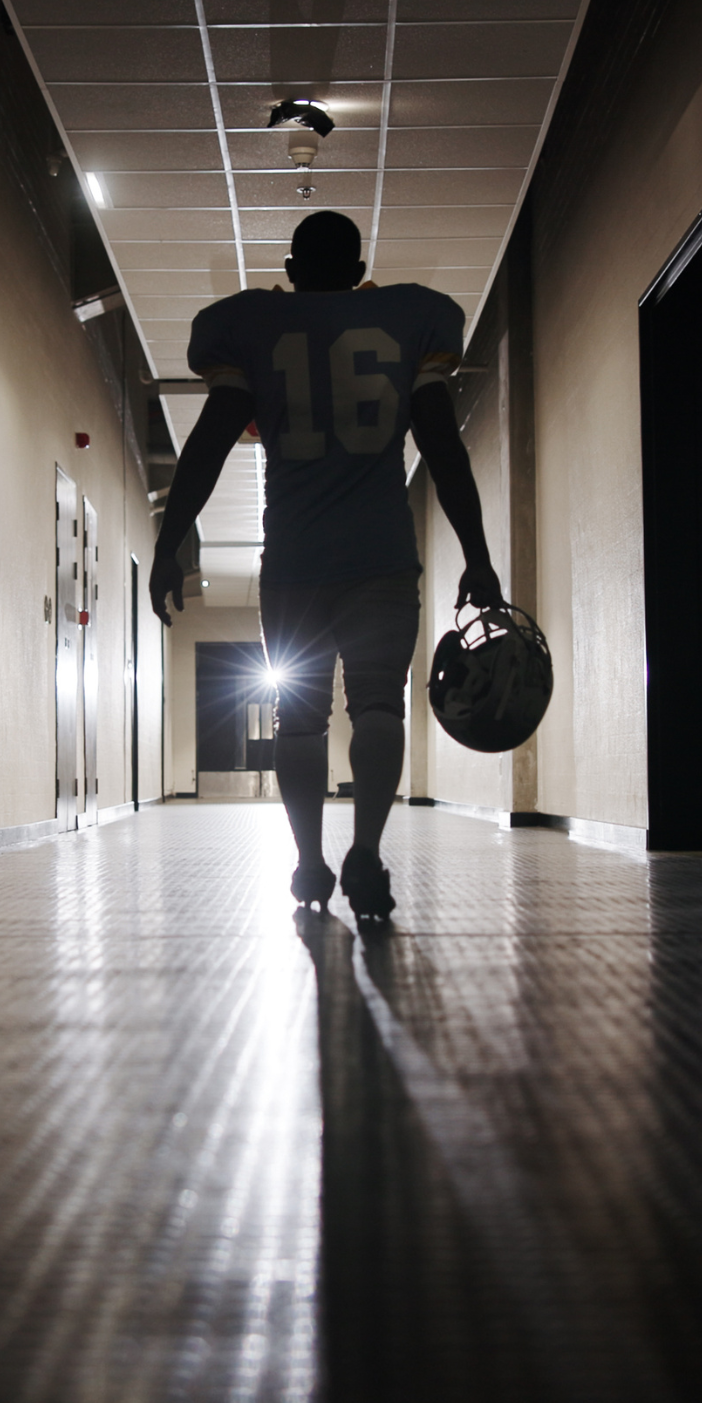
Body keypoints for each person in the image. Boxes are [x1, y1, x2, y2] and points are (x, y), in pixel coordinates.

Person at [149, 210, 502, 919]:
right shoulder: (410, 319)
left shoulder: (250, 328)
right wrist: (478, 555)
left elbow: (211, 443)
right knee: (377, 704)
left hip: (294, 561)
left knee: (299, 719)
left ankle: (309, 863)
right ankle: (366, 850)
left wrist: (170, 539)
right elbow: (442, 447)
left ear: (289, 267)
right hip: (380, 553)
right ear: (360, 265)